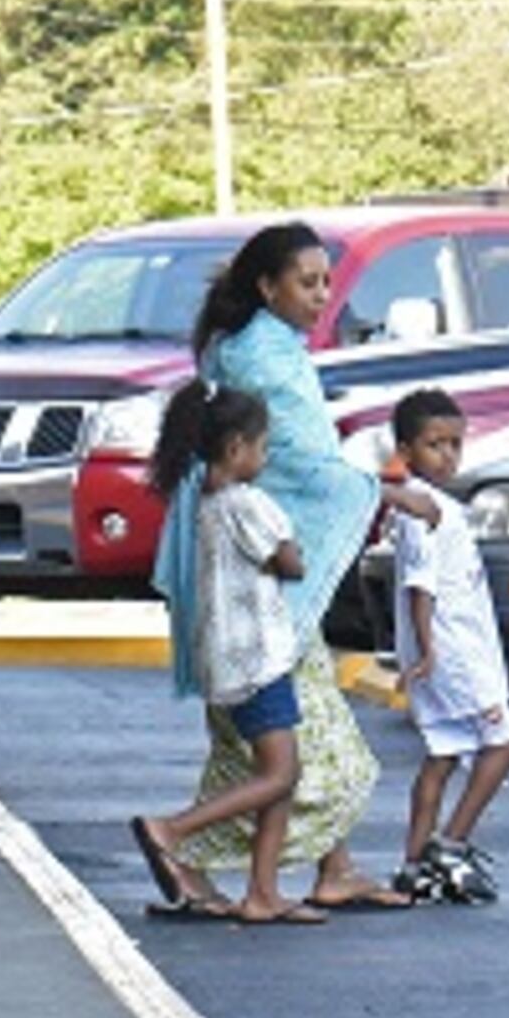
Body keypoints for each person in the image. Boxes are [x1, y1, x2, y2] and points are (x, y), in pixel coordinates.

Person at [143, 222, 444, 914]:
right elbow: (306, 465)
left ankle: (319, 871)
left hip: (229, 575)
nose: (320, 296)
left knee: (272, 734)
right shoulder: (263, 359)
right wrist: (387, 491)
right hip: (258, 585)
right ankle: (183, 846)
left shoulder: (250, 347)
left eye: (325, 282)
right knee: (310, 754)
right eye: (306, 283)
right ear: (266, 285)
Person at [128, 386, 321, 924]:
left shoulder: (205, 502)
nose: (265, 459)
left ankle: (263, 892)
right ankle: (173, 829)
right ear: (237, 448)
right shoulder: (247, 503)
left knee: (279, 772)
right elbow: (291, 564)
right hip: (258, 659)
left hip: (231, 658)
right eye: (263, 447)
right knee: (281, 774)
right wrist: (296, 536)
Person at [385, 388, 509, 904]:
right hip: (453, 650)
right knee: (504, 741)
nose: (446, 456)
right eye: (433, 445)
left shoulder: (427, 507)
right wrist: (426, 650)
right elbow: (420, 586)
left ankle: (413, 861)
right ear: (405, 450)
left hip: (456, 647)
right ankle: (452, 842)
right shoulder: (426, 511)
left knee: (441, 755)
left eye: (454, 445)